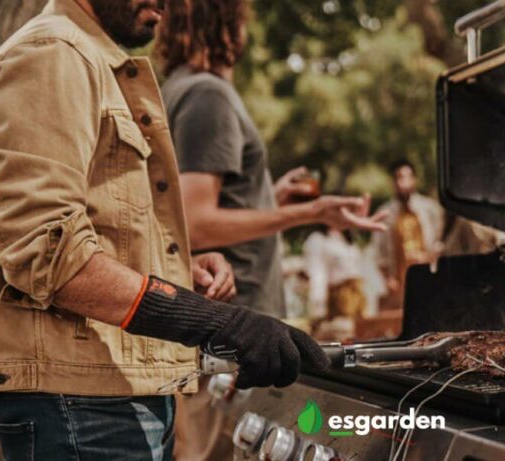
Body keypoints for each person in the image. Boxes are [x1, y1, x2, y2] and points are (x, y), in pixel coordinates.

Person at [0, 1, 328, 460]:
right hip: (78, 405)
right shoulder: (53, 53)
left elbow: (97, 232)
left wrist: (179, 269)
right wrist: (219, 323)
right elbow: (44, 251)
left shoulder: (91, 60)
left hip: (114, 392)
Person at [155, 1, 386, 458]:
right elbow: (194, 223)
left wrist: (266, 201)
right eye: (241, 21)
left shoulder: (175, 89)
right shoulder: (208, 95)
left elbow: (195, 203)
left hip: (214, 336)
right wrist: (312, 211)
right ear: (224, 24)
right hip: (230, 334)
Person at [372, 160, 445, 310]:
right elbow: (379, 253)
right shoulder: (385, 213)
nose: (401, 183)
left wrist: (427, 256)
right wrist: (388, 279)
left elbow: (442, 243)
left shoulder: (429, 209)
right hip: (399, 284)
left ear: (414, 179)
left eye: (405, 177)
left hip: (428, 277)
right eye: (398, 178)